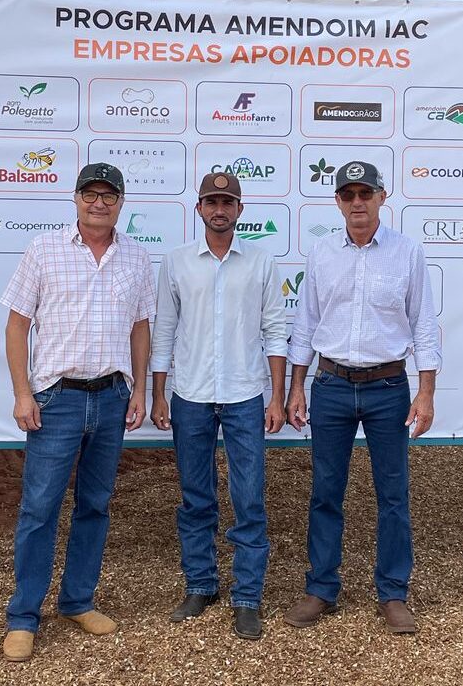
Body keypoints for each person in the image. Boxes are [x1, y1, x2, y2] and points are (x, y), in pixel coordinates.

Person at [0, 162, 154, 662]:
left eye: (109, 196)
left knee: (95, 505)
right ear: (76, 198)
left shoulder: (137, 256)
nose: (99, 203)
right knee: (39, 508)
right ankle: (24, 616)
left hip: (111, 398)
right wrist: (22, 393)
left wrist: (139, 390)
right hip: (56, 400)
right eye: (91, 194)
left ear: (121, 203)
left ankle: (77, 601)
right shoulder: (44, 250)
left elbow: (140, 328)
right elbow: (17, 326)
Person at [283, 160, 440, 635]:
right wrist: (296, 386)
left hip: (388, 388)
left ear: (381, 197)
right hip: (330, 386)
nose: (357, 202)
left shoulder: (407, 252)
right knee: (325, 493)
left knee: (393, 494)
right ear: (337, 201)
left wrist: (426, 391)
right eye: (348, 194)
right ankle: (321, 589)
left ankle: (393, 593)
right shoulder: (321, 252)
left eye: (365, 193)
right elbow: (306, 323)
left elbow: (424, 324)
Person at [150, 171, 287, 640]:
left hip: (245, 395)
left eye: (228, 202)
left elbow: (275, 330)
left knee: (249, 499)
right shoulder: (177, 262)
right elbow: (164, 330)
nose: (220, 209)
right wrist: (158, 393)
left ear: (240, 210)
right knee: (195, 497)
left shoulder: (261, 262)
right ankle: (200, 585)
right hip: (190, 395)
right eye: (212, 202)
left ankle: (247, 597)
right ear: (199, 209)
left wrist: (276, 396)